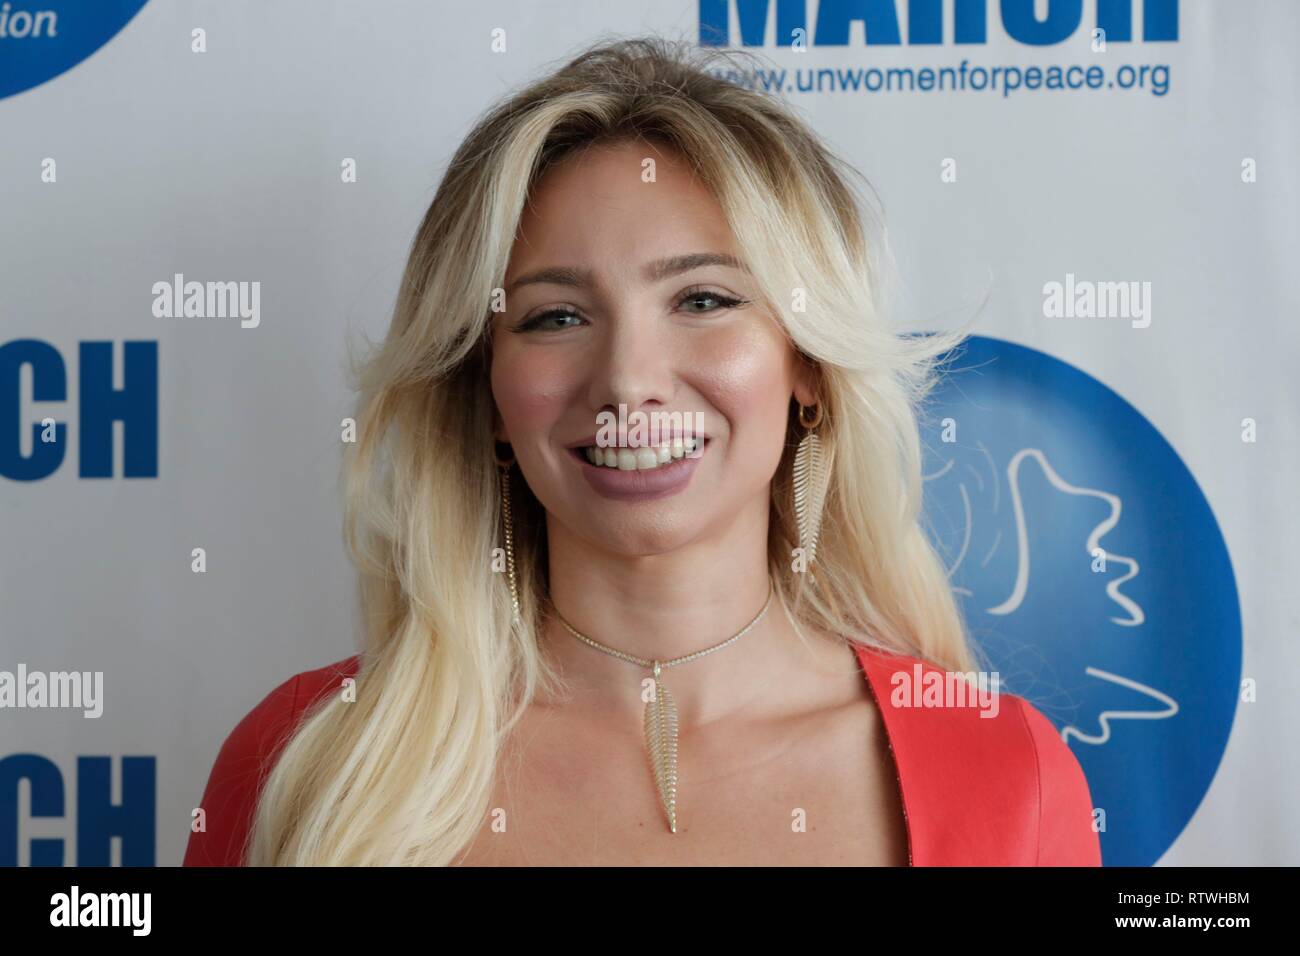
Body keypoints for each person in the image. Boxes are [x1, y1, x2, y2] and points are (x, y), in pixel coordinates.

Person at [184, 35, 1100, 867]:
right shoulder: (306, 763)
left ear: (809, 366)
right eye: (556, 316)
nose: (628, 380)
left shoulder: (1003, 770)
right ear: (489, 397)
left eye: (703, 300)